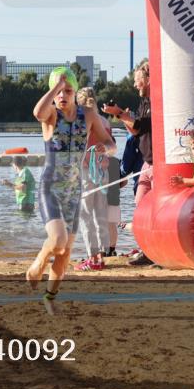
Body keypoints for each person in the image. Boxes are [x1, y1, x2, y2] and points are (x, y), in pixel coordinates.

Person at [28, 67, 115, 308]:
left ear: (75, 91)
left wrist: (104, 149)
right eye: (58, 91)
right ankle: (37, 263)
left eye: (68, 90)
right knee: (57, 240)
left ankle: (49, 298)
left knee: (65, 254)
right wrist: (55, 86)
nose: (63, 95)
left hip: (74, 192)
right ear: (52, 93)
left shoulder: (88, 115)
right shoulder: (50, 117)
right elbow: (37, 112)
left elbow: (110, 143)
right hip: (51, 188)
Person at [102, 60, 154, 266]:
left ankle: (153, 252)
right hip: (147, 162)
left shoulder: (157, 99)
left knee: (153, 209)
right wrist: (119, 114)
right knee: (141, 206)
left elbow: (140, 125)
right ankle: (147, 250)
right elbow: (135, 130)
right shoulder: (143, 102)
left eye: (137, 80)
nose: (134, 85)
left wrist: (120, 114)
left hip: (159, 162)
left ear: (148, 79)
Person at [74, 86, 116, 272]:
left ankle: (92, 255)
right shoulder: (104, 121)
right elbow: (111, 146)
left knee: (84, 214)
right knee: (101, 213)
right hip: (103, 170)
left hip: (86, 170)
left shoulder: (82, 120)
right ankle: (102, 254)